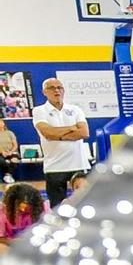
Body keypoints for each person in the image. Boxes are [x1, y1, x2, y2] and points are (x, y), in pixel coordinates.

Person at [32, 77, 89, 207]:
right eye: (52, 88)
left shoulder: (75, 109)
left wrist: (58, 135)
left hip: (78, 164)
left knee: (84, 203)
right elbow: (47, 133)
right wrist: (72, 128)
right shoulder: (39, 111)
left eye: (59, 87)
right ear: (44, 92)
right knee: (57, 207)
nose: (57, 90)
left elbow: (84, 133)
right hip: (54, 166)